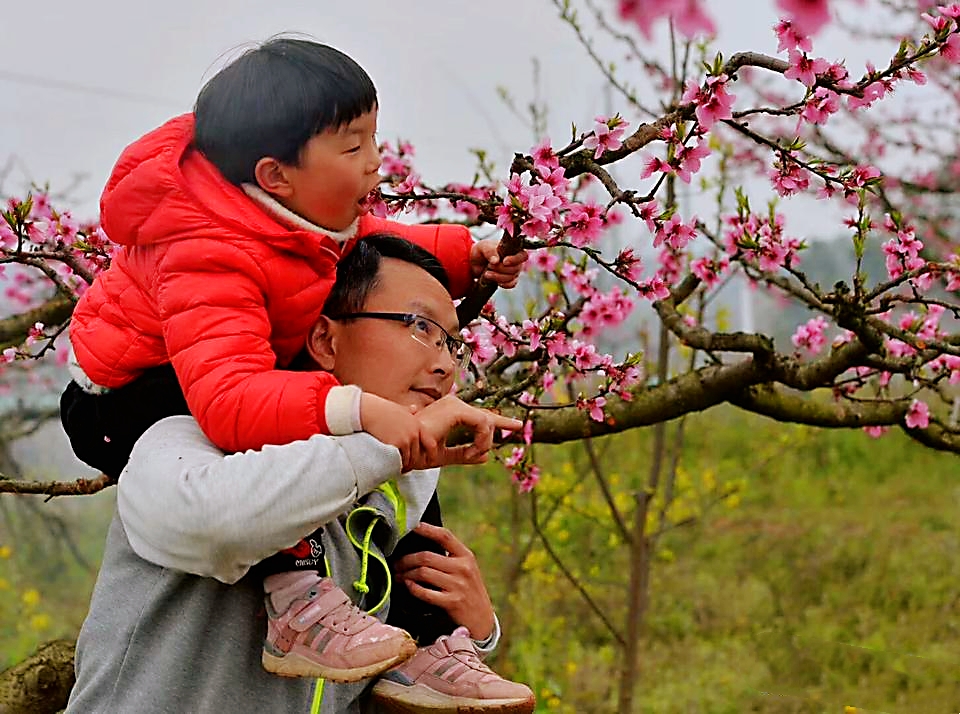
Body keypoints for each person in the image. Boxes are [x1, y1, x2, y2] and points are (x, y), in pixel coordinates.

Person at [58, 37, 527, 681]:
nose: (375, 162)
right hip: (130, 396)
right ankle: (298, 603)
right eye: (353, 147)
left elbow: (374, 237)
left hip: (223, 368)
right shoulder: (209, 251)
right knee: (280, 438)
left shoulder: (293, 208)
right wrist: (354, 408)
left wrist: (465, 255)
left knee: (402, 446)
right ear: (276, 173)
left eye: (373, 138)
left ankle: (429, 644)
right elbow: (228, 404)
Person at [66, 235, 536, 714]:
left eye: (452, 344)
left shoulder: (392, 490)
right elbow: (220, 526)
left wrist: (473, 630)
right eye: (419, 326)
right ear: (325, 340)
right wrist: (388, 447)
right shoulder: (184, 440)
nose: (444, 365)